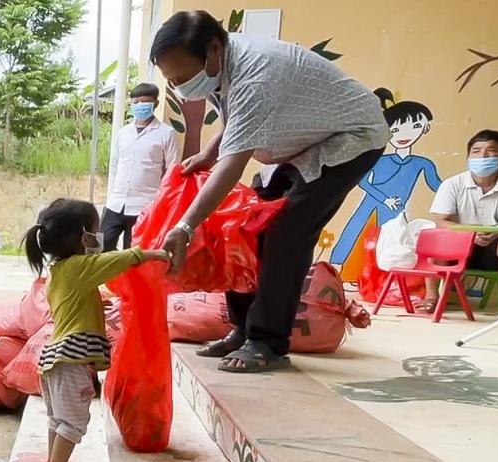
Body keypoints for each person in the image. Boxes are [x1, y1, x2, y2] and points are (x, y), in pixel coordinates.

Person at [151, 10, 388, 373]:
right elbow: (234, 120)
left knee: (286, 233)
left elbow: (233, 165)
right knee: (244, 226)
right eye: (172, 79)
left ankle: (267, 342)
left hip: (350, 139)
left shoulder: (257, 72)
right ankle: (244, 329)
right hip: (298, 144)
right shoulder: (223, 65)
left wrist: (185, 226)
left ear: (213, 49)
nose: (180, 84)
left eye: (182, 75)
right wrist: (207, 153)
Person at [23, 199, 167, 462]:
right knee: (74, 421)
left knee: (59, 419)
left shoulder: (63, 270)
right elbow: (118, 260)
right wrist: (156, 253)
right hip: (68, 361)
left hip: (57, 361)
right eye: (94, 230)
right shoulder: (77, 267)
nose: (98, 237)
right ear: (81, 237)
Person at [331, 89, 442, 275]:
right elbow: (364, 183)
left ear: (425, 127)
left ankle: (382, 282)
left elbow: (438, 186)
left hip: (395, 208)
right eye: (396, 130)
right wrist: (384, 199)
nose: (403, 135)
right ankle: (337, 272)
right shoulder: (379, 160)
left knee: (393, 245)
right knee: (354, 233)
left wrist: (461, 191)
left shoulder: (422, 163)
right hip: (372, 203)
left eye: (414, 126)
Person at [428, 129, 498, 315]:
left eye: (491, 150)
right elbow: (440, 220)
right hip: (458, 248)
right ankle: (431, 298)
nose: (483, 155)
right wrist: (470, 233)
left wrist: (497, 232)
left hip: (496, 248)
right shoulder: (452, 184)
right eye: (476, 151)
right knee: (437, 236)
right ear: (468, 156)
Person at [103, 82, 180, 252]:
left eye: (144, 102)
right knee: (104, 245)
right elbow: (115, 164)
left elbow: (173, 170)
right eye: (135, 102)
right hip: (116, 202)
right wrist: (111, 192)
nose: (139, 106)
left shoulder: (165, 133)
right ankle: (112, 278)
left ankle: (127, 278)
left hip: (145, 204)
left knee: (134, 250)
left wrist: (162, 202)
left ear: (155, 104)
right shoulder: (123, 133)